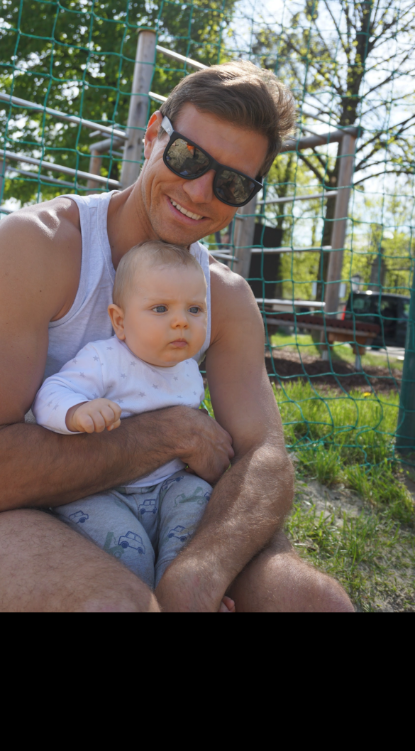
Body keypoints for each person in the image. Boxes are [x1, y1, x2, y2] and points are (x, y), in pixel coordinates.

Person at [0, 60, 353, 612]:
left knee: (313, 603)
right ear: (152, 136)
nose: (199, 190)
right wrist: (168, 434)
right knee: (119, 605)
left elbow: (265, 460)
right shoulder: (37, 247)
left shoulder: (226, 298)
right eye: (189, 155)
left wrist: (196, 578)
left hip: (175, 502)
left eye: (232, 183)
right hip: (33, 507)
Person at [33, 241, 234, 611]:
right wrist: (77, 412)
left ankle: (181, 584)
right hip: (104, 491)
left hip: (168, 486)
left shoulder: (188, 369)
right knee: (130, 550)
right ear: (120, 322)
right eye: (161, 308)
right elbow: (51, 393)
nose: (181, 321)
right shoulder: (104, 359)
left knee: (198, 503)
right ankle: (141, 595)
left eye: (194, 309)